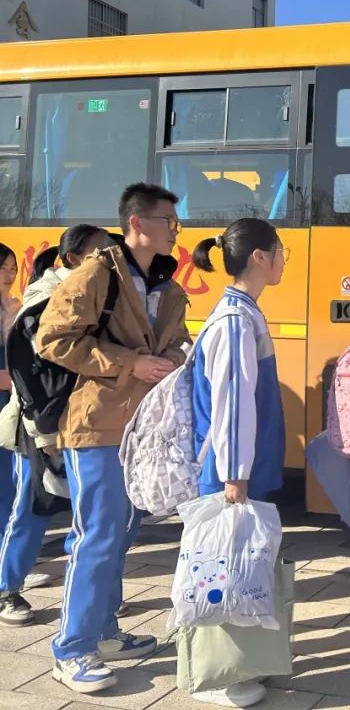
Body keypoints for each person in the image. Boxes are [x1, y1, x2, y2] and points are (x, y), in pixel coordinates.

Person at [37, 183, 191, 694]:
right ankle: (71, 648)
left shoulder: (167, 283)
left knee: (119, 536)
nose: (177, 228)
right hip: (95, 425)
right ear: (138, 224)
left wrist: (174, 357)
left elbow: (173, 340)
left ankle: (104, 632)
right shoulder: (97, 272)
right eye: (170, 220)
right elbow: (52, 339)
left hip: (140, 430)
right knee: (97, 536)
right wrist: (131, 363)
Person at [184, 218, 288, 708]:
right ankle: (222, 675)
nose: (285, 258)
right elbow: (233, 405)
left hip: (240, 470)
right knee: (225, 569)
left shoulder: (241, 314)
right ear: (259, 259)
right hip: (233, 473)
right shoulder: (233, 321)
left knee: (241, 565)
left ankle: (238, 665)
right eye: (280, 250)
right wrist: (235, 476)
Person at [0, 226, 110, 626]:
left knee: (84, 511)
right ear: (78, 257)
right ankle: (6, 588)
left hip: (82, 423)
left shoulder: (101, 296)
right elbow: (30, 374)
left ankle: (89, 597)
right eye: (103, 252)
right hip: (38, 424)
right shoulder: (44, 299)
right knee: (33, 506)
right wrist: (43, 432)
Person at [0, 243, 22, 548]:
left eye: (13, 268)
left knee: (8, 481)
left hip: (10, 400)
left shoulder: (15, 306)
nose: (9, 274)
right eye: (3, 267)